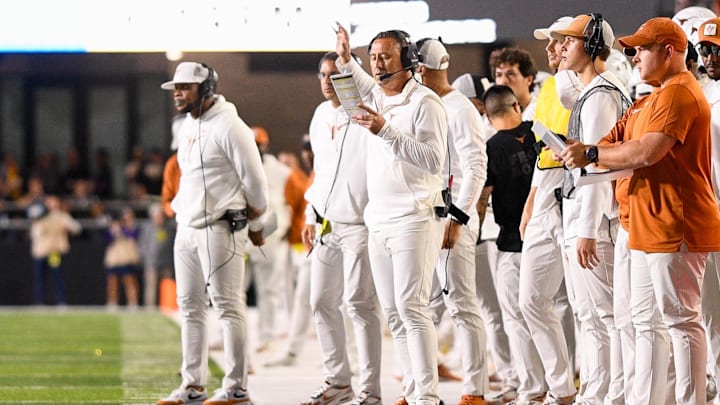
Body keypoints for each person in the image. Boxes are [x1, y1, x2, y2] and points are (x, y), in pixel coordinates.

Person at [559, 17, 720, 405]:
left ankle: (692, 401)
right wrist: (593, 153)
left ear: (669, 52)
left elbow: (646, 151)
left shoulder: (679, 94)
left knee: (682, 322)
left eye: (642, 49)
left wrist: (594, 154)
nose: (632, 56)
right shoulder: (650, 98)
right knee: (646, 323)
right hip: (647, 222)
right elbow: (610, 143)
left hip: (675, 223)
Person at [334, 23, 448, 405]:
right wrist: (347, 58)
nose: (378, 65)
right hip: (379, 219)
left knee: (413, 308)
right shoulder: (379, 96)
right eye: (374, 58)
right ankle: (413, 390)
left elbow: (434, 161)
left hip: (415, 216)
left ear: (409, 62)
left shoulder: (425, 102)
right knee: (394, 314)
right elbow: (361, 81)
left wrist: (386, 131)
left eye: (386, 57)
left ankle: (428, 397)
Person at [157, 61, 268, 405]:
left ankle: (237, 388)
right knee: (189, 307)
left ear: (206, 90)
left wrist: (257, 223)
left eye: (185, 87)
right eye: (176, 87)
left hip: (220, 228)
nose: (178, 93)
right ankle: (193, 386)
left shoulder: (232, 127)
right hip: (187, 228)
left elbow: (257, 184)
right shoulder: (188, 125)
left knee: (229, 308)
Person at [552, 14, 631, 405]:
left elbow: (601, 165)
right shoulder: (592, 92)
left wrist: (586, 229)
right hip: (586, 217)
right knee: (592, 317)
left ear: (594, 44)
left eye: (570, 40)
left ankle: (612, 395)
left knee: (608, 317)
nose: (562, 47)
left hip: (596, 221)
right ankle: (598, 393)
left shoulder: (601, 94)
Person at [297, 50, 384, 405]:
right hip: (328, 223)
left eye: (335, 74)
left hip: (361, 224)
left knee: (359, 306)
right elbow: (322, 170)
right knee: (320, 301)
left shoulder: (367, 110)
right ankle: (338, 383)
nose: (327, 81)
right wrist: (310, 214)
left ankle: (370, 391)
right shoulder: (319, 115)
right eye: (322, 74)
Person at [416, 38, 490, 405]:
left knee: (461, 304)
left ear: (424, 69)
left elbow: (476, 167)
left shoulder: (460, 108)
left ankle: (474, 390)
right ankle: (422, 389)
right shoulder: (422, 104)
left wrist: (458, 217)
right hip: (425, 217)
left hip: (453, 217)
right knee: (422, 307)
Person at [515, 16, 579, 405]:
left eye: (558, 42)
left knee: (589, 307)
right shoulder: (550, 86)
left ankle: (599, 388)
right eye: (549, 43)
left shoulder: (593, 87)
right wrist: (531, 201)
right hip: (546, 193)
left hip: (578, 193)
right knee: (531, 300)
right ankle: (562, 390)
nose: (551, 50)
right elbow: (544, 150)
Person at [478, 84, 541, 405]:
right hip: (547, 239)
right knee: (551, 313)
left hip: (512, 243)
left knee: (516, 319)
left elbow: (482, 197)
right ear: (517, 106)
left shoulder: (490, 147)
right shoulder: (538, 133)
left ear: (487, 116)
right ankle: (561, 381)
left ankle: (531, 389)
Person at [245, 126, 292, 354]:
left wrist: (284, 230)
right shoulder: (239, 167)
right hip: (243, 235)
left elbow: (293, 203)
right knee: (232, 291)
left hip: (271, 237)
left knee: (269, 289)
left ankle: (267, 335)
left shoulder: (281, 172)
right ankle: (231, 337)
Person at [28, 195, 81, 305]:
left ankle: (61, 300)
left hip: (54, 252)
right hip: (41, 252)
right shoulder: (39, 216)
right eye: (49, 202)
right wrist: (36, 222)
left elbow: (77, 228)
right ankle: (39, 302)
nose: (52, 205)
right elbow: (34, 234)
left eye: (54, 202)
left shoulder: (61, 216)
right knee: (39, 277)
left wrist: (68, 228)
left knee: (57, 275)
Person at [489, 48, 538, 120]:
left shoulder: (539, 111)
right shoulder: (494, 117)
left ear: (529, 80)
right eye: (499, 75)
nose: (503, 81)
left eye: (510, 74)